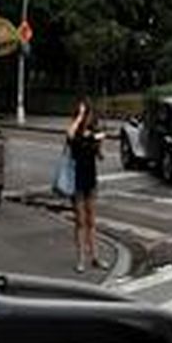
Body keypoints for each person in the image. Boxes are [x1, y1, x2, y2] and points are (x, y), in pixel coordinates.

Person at [66, 99, 104, 273]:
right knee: (80, 222)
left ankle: (95, 256)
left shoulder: (93, 132)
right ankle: (81, 258)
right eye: (85, 114)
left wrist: (99, 143)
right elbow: (70, 135)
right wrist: (79, 116)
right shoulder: (75, 132)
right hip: (77, 181)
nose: (88, 117)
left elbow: (99, 156)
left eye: (88, 114)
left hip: (91, 179)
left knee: (92, 221)